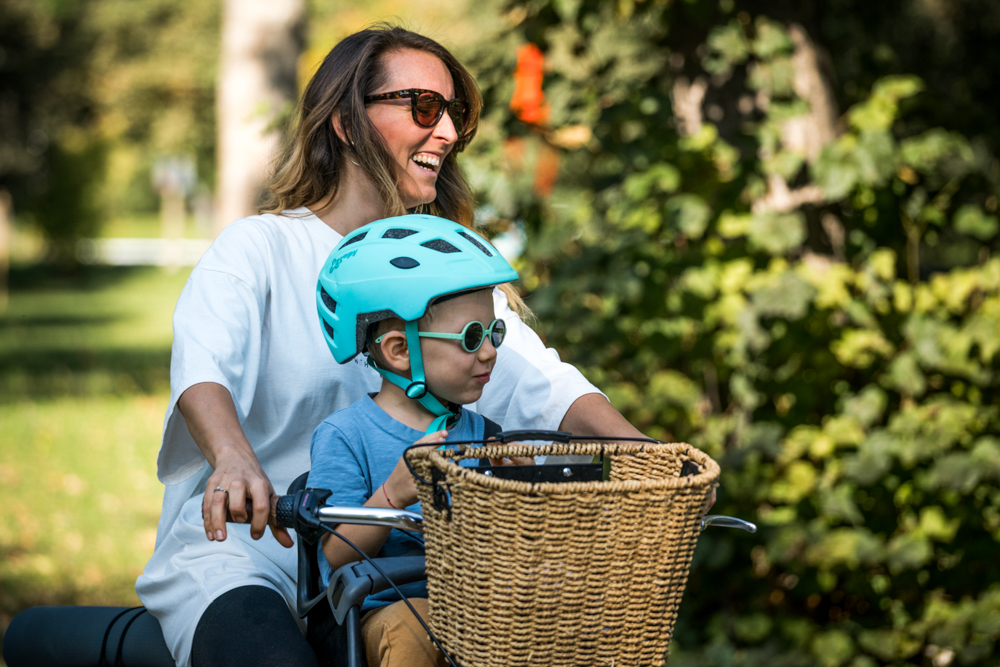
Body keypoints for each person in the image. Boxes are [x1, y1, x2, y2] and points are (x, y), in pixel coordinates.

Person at [136, 24, 645, 667]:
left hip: (404, 573)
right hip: (255, 549)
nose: (449, 133)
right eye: (423, 108)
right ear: (348, 124)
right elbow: (203, 364)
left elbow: (547, 385)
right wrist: (234, 460)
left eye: (454, 113)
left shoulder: (447, 268)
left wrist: (651, 461)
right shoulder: (262, 248)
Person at [309, 214, 534, 667]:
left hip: (477, 616)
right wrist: (395, 492)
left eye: (494, 333)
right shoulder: (346, 435)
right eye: (471, 337)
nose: (490, 351)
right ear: (399, 350)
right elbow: (333, 556)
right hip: (384, 619)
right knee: (414, 625)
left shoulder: (487, 438)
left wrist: (518, 503)